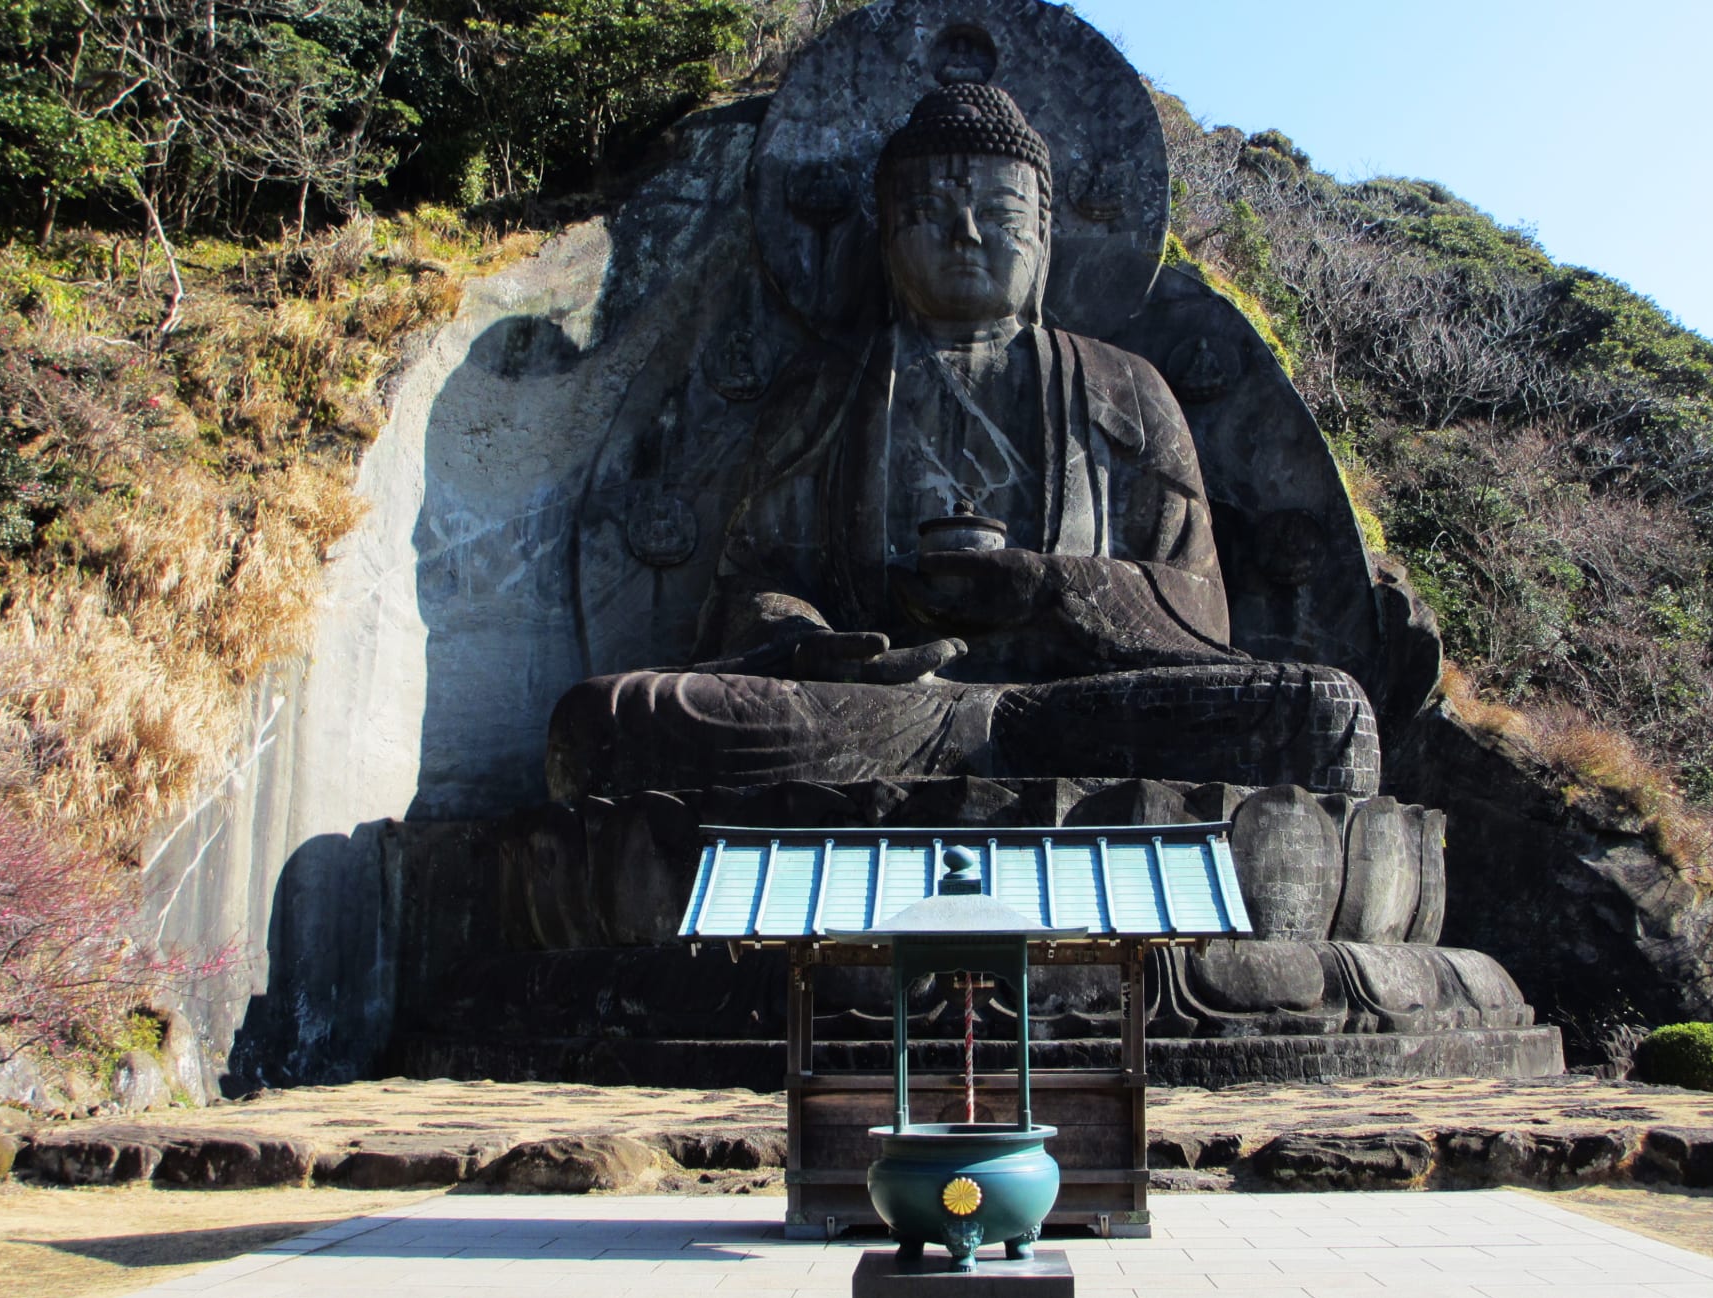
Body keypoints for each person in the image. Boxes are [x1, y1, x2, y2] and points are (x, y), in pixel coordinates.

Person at [549, 83, 1378, 800]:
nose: (967, 234)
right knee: (613, 722)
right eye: (928, 213)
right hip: (874, 714)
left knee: (1324, 714)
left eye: (1001, 213)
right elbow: (751, 590)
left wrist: (1049, 591)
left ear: (1046, 237)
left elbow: (1198, 609)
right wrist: (810, 643)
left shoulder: (1126, 386)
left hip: (1075, 710)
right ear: (883, 238)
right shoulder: (826, 383)